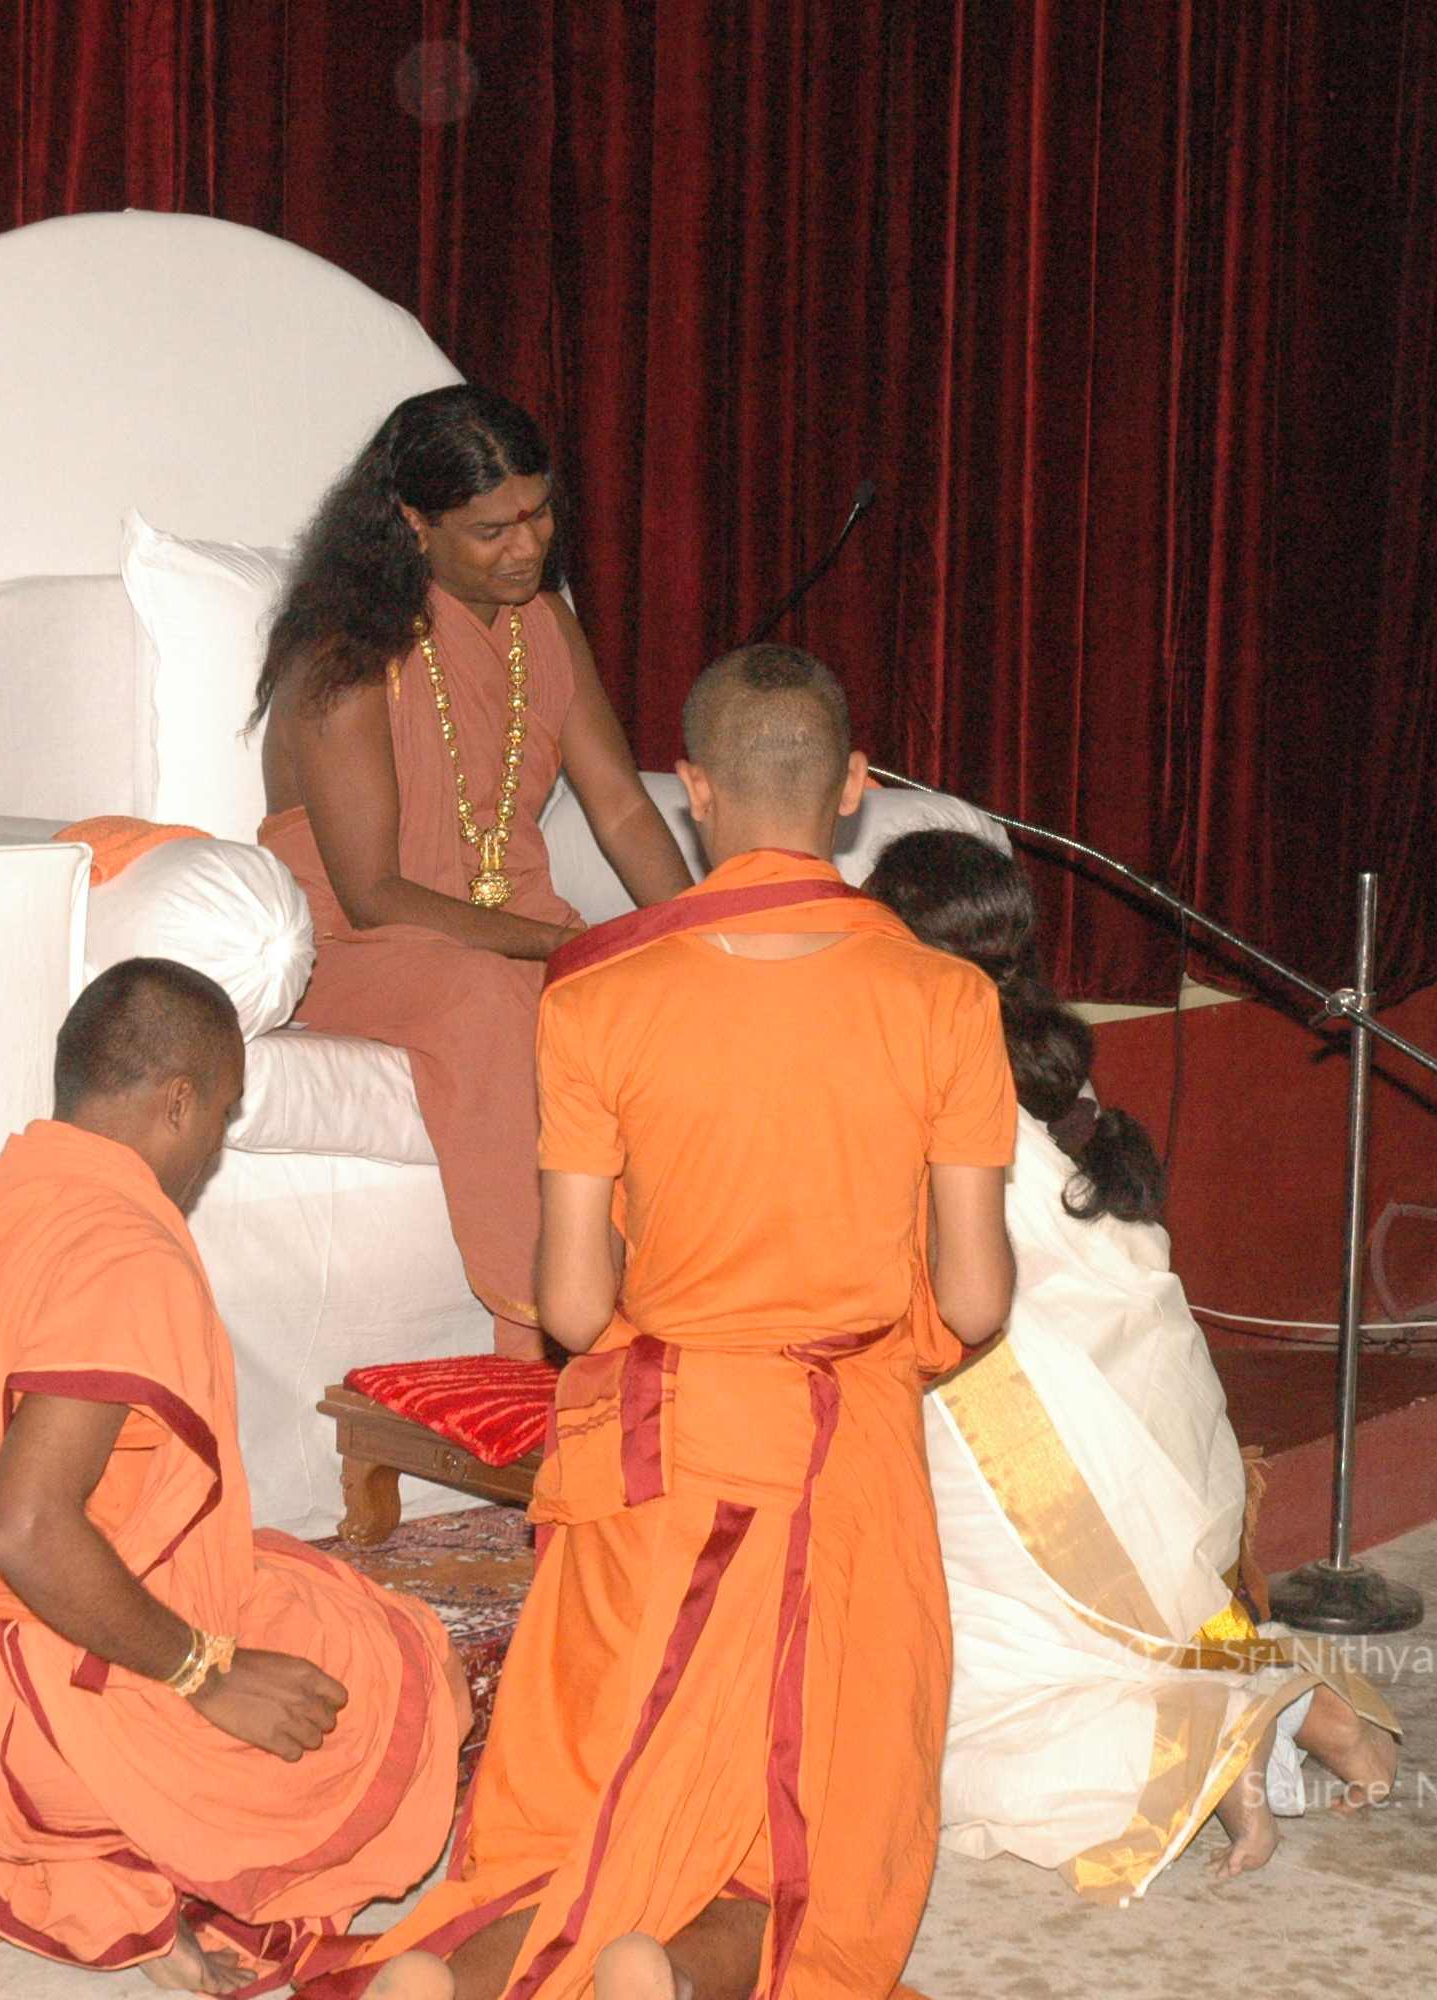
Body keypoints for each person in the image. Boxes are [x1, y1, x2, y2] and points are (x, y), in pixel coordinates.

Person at [298, 647, 1017, 2000]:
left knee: (581, 1803)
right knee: (815, 1852)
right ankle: (672, 1976)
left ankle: (457, 1977)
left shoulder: (598, 992)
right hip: (839, 1459)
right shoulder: (944, 998)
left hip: (652, 1446)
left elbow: (572, 1304)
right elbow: (977, 1299)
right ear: (854, 788)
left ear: (694, 790)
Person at [0, 959, 469, 1992]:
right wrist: (205, 1674)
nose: (214, 1146)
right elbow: (22, 1528)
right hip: (37, 1704)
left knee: (297, 1580)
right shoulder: (122, 1246)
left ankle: (108, 1855)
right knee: (393, 1672)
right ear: (178, 1101)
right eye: (220, 1116)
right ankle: (133, 1867)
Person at [862, 830, 1401, 1891]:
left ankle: (1223, 1738)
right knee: (1131, 1630)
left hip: (1044, 1457)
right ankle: (1293, 1704)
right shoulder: (1050, 1077)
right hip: (1165, 1443)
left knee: (944, 1738)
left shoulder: (923, 1090)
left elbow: (956, 1315)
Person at [255, 386, 696, 1356]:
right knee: (486, 997)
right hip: (360, 946)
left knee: (667, 999)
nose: (526, 547)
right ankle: (553, 1322)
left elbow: (622, 807)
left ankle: (692, 1295)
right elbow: (373, 893)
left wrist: (698, 930)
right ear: (414, 522)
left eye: (538, 514)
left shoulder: (546, 623)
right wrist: (563, 945)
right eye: (491, 530)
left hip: (512, 929)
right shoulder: (343, 654)